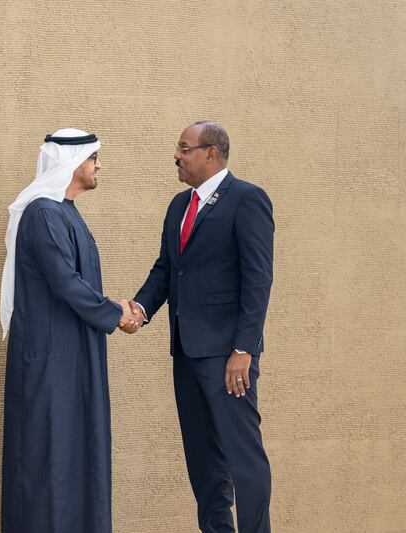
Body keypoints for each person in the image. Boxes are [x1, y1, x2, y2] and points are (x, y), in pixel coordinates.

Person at [124, 121, 274, 532]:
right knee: (204, 462)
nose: (177, 155)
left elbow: (258, 280)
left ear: (212, 153)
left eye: (184, 148)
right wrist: (140, 308)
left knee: (243, 461)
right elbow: (167, 270)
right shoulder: (178, 205)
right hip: (186, 354)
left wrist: (243, 350)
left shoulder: (247, 200)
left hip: (228, 357)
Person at [0, 129, 136, 532]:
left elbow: (77, 286)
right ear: (73, 162)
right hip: (50, 363)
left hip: (73, 358)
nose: (99, 166)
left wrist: (114, 308)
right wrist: (115, 313)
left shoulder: (64, 211)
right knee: (49, 462)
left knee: (77, 457)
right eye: (94, 158)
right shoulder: (43, 213)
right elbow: (65, 282)